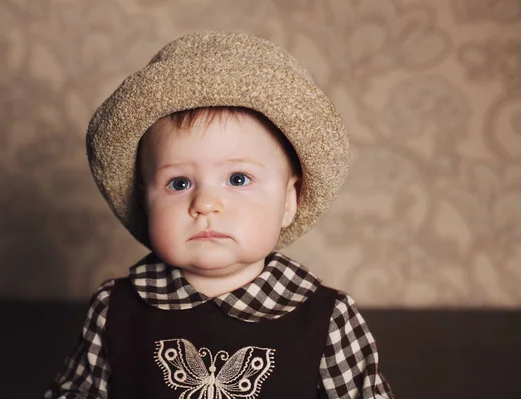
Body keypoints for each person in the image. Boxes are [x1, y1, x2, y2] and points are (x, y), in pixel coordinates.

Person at [44, 31, 394, 399]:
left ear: (289, 201)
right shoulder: (115, 309)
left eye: (238, 179)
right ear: (144, 201)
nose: (205, 204)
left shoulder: (327, 318)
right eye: (178, 183)